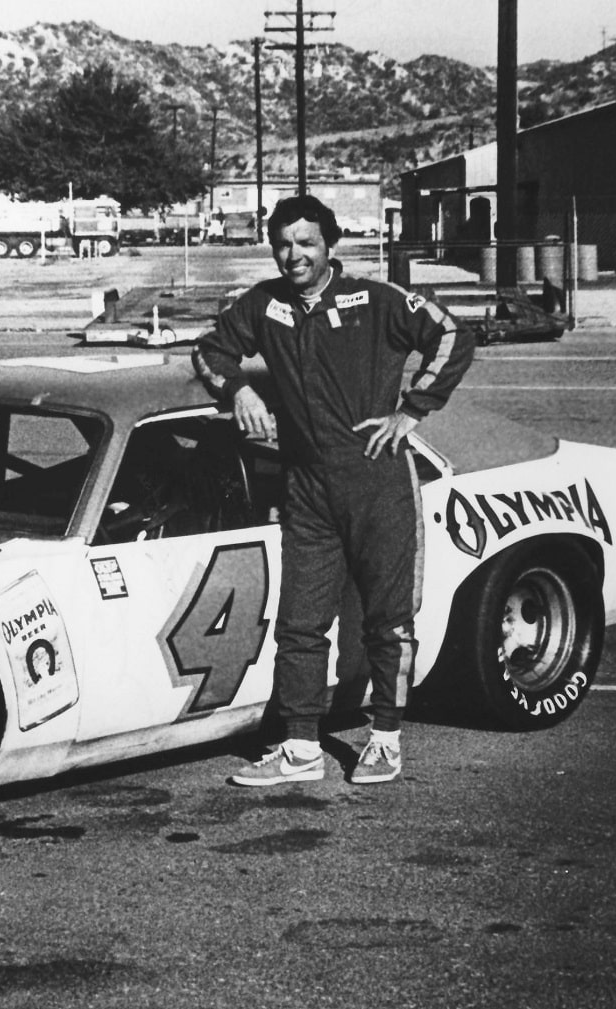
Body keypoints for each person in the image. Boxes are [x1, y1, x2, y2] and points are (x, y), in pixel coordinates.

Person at [193, 194, 474, 786]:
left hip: (376, 479)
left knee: (388, 621)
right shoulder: (264, 304)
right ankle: (300, 749)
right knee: (301, 624)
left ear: (330, 245)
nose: (293, 255)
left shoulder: (375, 300)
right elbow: (210, 350)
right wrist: (239, 391)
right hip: (307, 487)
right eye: (283, 244)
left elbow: (451, 336)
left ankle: (387, 738)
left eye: (306, 243)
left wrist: (412, 410)